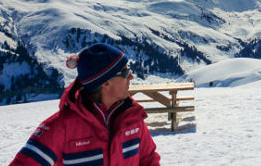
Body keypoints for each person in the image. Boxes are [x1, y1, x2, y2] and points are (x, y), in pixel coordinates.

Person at [10, 43, 161, 166]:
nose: (131, 76)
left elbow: (149, 159)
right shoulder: (61, 127)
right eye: (125, 72)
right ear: (105, 82)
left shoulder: (132, 118)